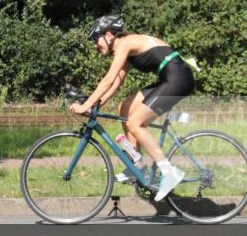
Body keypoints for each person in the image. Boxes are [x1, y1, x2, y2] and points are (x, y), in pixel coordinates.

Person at [69, 15, 195, 201]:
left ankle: (169, 172)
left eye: (96, 39)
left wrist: (85, 105)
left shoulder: (125, 43)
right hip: (170, 77)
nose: (96, 46)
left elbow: (108, 79)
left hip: (178, 78)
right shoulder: (127, 48)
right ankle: (136, 166)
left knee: (135, 123)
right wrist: (95, 106)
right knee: (125, 107)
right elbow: (116, 83)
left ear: (109, 34)